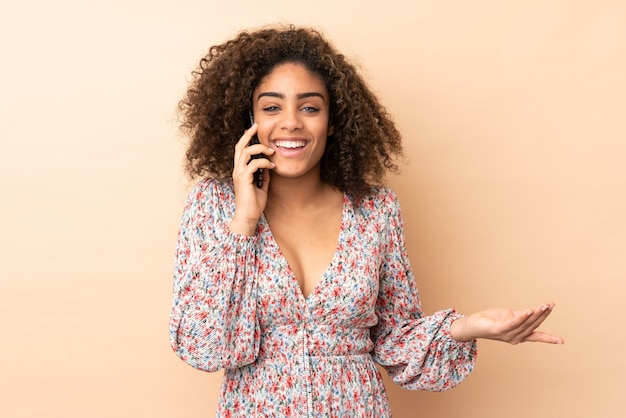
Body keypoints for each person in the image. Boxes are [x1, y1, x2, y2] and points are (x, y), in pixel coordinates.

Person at [169, 24, 564, 417]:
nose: (291, 122)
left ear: (334, 121)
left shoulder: (375, 211)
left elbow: (393, 340)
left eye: (309, 107)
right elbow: (205, 347)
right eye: (272, 107)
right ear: (248, 120)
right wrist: (244, 219)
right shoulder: (214, 206)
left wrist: (468, 327)